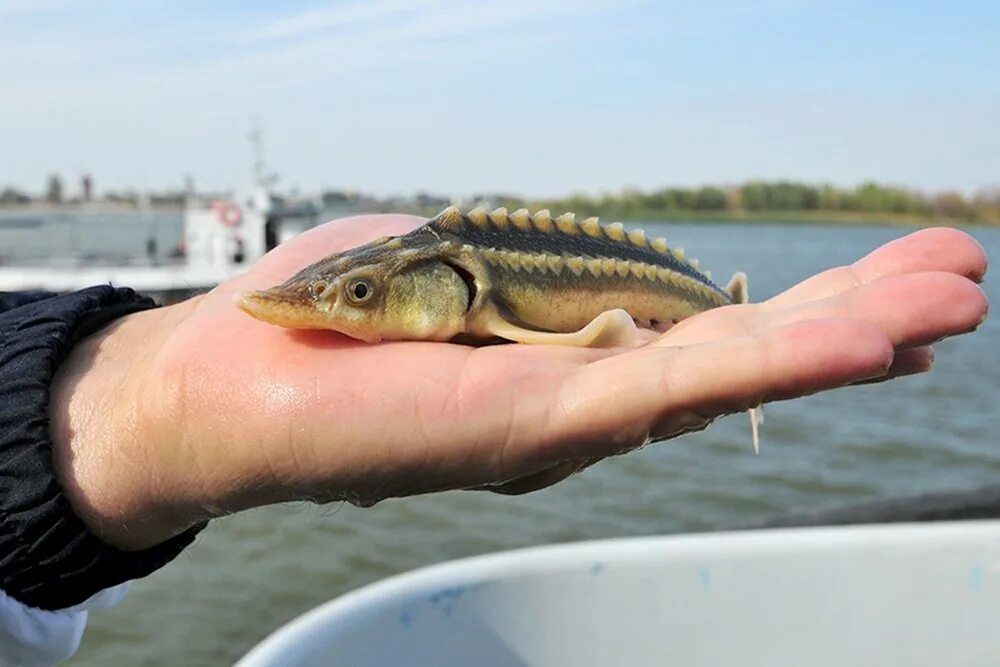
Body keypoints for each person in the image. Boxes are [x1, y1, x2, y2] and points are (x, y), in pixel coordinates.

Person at [0, 214, 989, 664]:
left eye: (360, 297)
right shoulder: (431, 274)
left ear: (458, 288)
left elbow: (602, 330)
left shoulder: (505, 298)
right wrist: (156, 397)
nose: (339, 311)